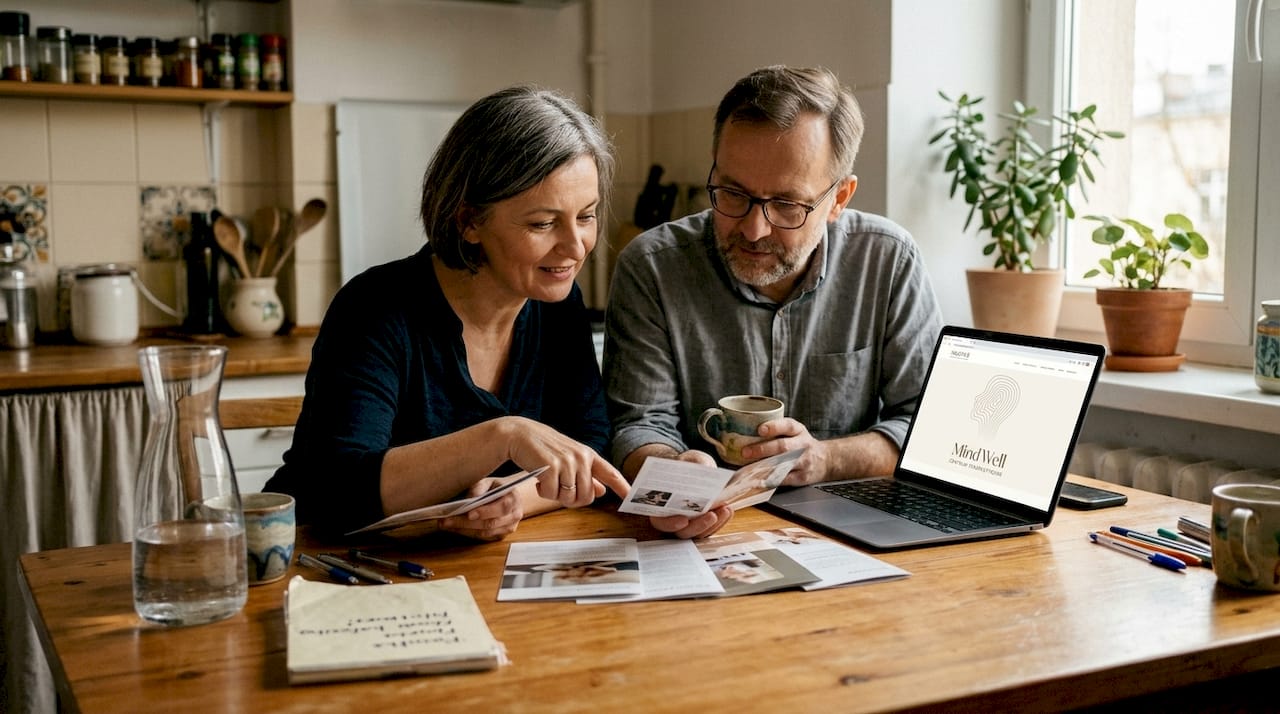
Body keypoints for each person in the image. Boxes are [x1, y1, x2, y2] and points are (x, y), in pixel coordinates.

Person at [266, 85, 629, 539]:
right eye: (542, 223)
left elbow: (588, 445)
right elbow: (338, 489)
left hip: (463, 569)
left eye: (587, 216)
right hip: (320, 560)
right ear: (469, 221)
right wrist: (503, 436)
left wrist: (513, 497)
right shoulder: (374, 309)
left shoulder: (557, 303)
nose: (575, 247)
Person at [604, 66, 944, 539]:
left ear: (839, 197)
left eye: (787, 204)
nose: (753, 229)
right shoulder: (653, 267)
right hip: (703, 538)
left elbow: (929, 430)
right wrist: (677, 473)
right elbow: (638, 426)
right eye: (733, 193)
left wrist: (823, 459)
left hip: (853, 535)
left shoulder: (887, 260)